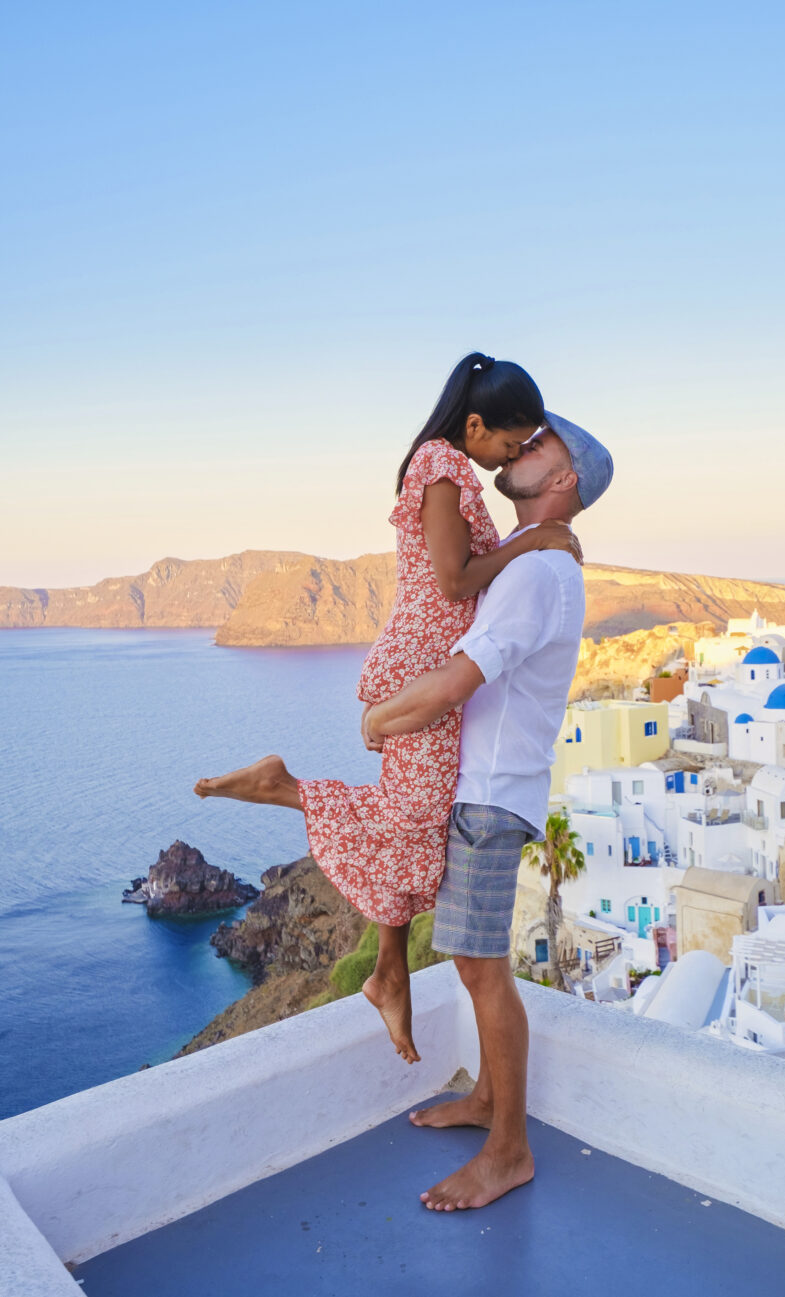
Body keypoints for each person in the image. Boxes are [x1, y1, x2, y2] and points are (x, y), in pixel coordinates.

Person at [193, 354, 581, 1064]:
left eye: (525, 447)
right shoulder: (440, 465)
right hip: (422, 673)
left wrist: (530, 541)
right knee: (413, 824)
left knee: (414, 826)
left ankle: (387, 971)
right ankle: (289, 796)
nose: (512, 455)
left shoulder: (450, 469)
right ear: (475, 425)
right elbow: (453, 577)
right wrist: (535, 539)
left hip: (429, 668)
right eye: (510, 441)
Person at [363, 412, 612, 1212]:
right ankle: (485, 1106)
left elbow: (459, 680)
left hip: (491, 792)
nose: (523, 447)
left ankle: (509, 1151)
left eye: (539, 445)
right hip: (487, 786)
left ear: (564, 478)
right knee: (474, 965)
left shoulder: (541, 575)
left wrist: (379, 720)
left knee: (480, 968)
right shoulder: (533, 563)